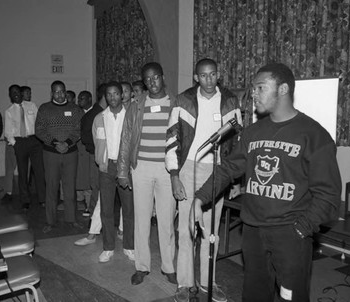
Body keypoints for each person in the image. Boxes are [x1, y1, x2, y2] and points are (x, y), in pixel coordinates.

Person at [193, 63, 342, 302]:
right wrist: (200, 197)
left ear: (283, 89)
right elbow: (229, 168)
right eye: (253, 89)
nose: (254, 94)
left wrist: (302, 228)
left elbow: (329, 195)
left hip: (290, 234)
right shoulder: (253, 132)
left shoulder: (314, 135)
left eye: (260, 88)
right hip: (253, 231)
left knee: (290, 296)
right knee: (254, 293)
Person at [166, 58, 242, 302]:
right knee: (187, 229)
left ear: (218, 75)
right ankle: (184, 284)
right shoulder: (183, 100)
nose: (209, 79)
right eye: (203, 75)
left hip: (218, 170)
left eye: (213, 74)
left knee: (210, 231)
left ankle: (209, 283)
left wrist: (236, 179)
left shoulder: (230, 100)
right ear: (196, 77)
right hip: (189, 167)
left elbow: (238, 142)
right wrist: (174, 176)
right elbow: (171, 139)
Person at [117, 62, 177, 285]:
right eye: (147, 79)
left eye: (156, 78)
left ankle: (168, 266)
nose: (152, 82)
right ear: (144, 82)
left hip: (167, 170)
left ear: (162, 77)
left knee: (166, 220)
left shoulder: (176, 103)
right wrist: (122, 171)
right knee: (141, 219)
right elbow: (126, 138)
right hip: (140, 168)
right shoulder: (137, 105)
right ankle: (142, 266)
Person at [92, 81, 134, 262]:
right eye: (109, 94)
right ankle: (108, 247)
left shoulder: (131, 116)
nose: (113, 97)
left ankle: (129, 246)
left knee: (129, 209)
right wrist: (103, 161)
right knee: (106, 209)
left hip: (127, 168)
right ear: (105, 97)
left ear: (122, 95)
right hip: (106, 168)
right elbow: (97, 142)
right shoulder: (99, 118)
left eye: (116, 93)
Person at [35, 80, 83, 233]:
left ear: (66, 92)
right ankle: (50, 221)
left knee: (70, 188)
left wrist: (67, 143)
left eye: (62, 91)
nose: (60, 94)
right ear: (51, 93)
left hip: (70, 153)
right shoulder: (44, 108)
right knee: (51, 187)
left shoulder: (75, 109)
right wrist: (56, 143)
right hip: (51, 153)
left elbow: (79, 129)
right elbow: (39, 130)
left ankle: (71, 219)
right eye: (56, 92)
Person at [4, 84, 46, 210]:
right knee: (23, 173)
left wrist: (40, 139)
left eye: (17, 91)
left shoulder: (31, 105)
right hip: (20, 142)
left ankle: (42, 198)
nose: (15, 94)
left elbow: (40, 122)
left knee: (39, 171)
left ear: (21, 93)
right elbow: (8, 132)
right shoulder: (9, 111)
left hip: (35, 141)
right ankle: (25, 200)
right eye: (13, 93)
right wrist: (16, 144)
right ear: (10, 96)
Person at [76, 90, 103, 217]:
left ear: (90, 99)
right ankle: (85, 203)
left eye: (82, 98)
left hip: (94, 151)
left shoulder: (96, 113)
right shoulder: (78, 113)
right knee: (86, 178)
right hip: (84, 150)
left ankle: (92, 208)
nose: (79, 101)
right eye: (79, 98)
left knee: (93, 181)